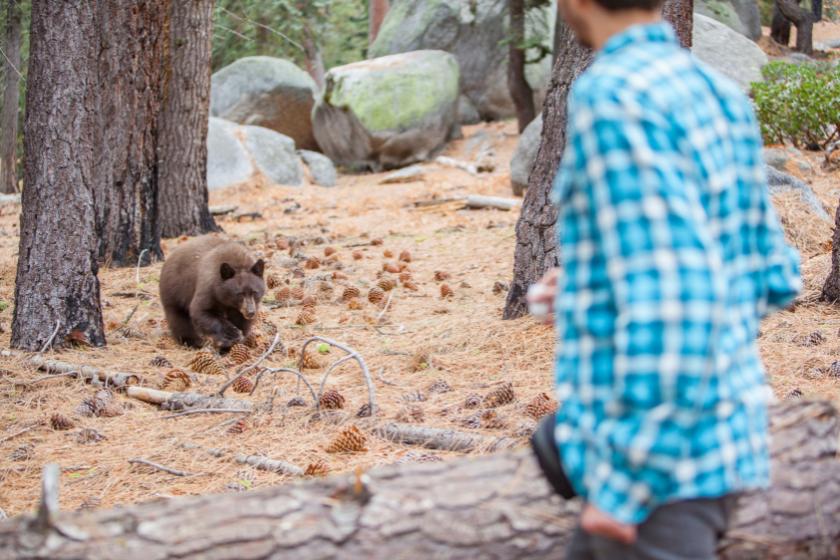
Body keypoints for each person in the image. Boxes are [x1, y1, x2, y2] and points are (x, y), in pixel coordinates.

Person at [525, 0, 803, 556]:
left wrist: (626, 488)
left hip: (656, 478)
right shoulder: (716, 93)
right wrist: (592, 289)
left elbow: (682, 303)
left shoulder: (615, 97)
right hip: (715, 450)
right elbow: (772, 274)